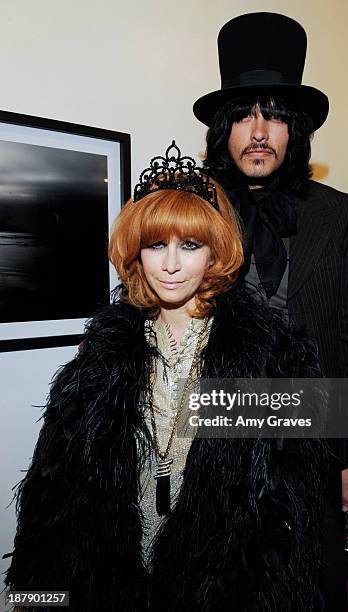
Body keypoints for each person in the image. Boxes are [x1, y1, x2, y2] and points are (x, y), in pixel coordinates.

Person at [5, 141, 331, 611]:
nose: (172, 264)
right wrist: (38, 599)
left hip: (218, 586)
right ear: (137, 252)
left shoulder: (267, 359)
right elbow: (55, 500)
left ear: (215, 251)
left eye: (191, 245)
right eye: (157, 245)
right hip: (116, 580)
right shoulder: (102, 358)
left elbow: (280, 516)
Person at [193, 12, 348, 610]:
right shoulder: (190, 209)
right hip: (218, 447)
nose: (258, 130)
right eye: (244, 114)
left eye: (273, 114)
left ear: (293, 130)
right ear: (223, 129)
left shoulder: (335, 210)